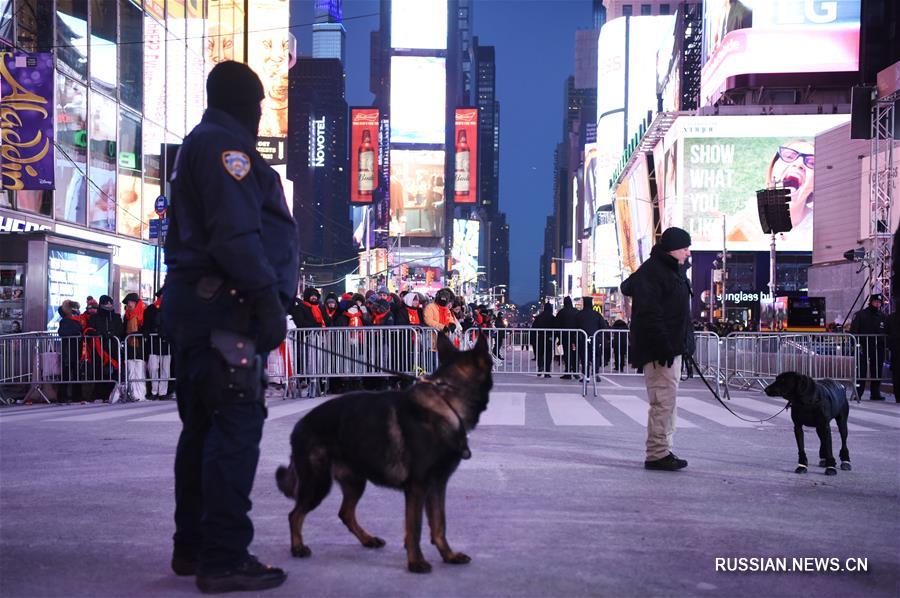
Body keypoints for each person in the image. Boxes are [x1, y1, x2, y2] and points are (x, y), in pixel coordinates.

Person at [162, 61, 297, 593]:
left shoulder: (204, 142)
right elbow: (235, 236)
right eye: (261, 106)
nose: (263, 117)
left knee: (202, 428)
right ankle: (222, 555)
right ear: (249, 105)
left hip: (201, 308)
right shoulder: (227, 150)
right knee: (235, 427)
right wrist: (267, 301)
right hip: (226, 309)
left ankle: (193, 548)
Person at [620, 227, 694, 471]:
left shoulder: (670, 270)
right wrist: (664, 348)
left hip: (671, 349)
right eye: (685, 247)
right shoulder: (655, 272)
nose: (688, 251)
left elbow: (680, 315)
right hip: (661, 352)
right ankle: (657, 453)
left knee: (667, 402)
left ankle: (664, 449)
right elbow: (650, 315)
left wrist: (685, 347)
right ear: (673, 249)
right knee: (662, 402)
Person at [85, 294, 124, 402]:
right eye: (106, 303)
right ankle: (99, 394)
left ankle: (112, 394)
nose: (109, 305)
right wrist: (101, 334)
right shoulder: (95, 318)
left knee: (115, 371)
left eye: (110, 303)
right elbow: (90, 329)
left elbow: (121, 330)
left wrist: (112, 334)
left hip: (114, 348)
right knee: (101, 372)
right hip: (99, 349)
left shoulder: (116, 317)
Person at [850, 294, 888, 401]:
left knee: (876, 370)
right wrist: (856, 345)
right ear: (871, 302)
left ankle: (875, 393)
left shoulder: (883, 316)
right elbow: (854, 331)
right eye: (876, 302)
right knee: (861, 370)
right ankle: (858, 393)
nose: (877, 304)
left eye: (879, 303)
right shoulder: (860, 315)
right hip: (863, 346)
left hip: (877, 348)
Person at [142, 289, 172, 399]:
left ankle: (163, 392)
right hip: (153, 342)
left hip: (166, 343)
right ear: (159, 296)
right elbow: (146, 325)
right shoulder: (150, 309)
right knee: (153, 367)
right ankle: (154, 391)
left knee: (165, 369)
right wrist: (147, 332)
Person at [56, 300, 84, 403]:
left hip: (74, 351)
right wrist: (77, 332)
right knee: (67, 375)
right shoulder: (66, 321)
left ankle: (74, 396)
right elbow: (63, 332)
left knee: (74, 374)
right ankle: (64, 396)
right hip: (69, 351)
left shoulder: (76, 319)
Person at [123, 292, 148, 401]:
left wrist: (139, 332)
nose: (129, 304)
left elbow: (146, 328)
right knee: (131, 369)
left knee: (139, 368)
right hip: (129, 345)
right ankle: (133, 392)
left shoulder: (143, 314)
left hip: (139, 345)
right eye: (128, 302)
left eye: (131, 302)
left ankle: (140, 393)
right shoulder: (126, 316)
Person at [576, 297, 608, 379]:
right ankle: (596, 374)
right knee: (596, 357)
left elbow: (575, 327)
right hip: (595, 339)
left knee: (584, 358)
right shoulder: (597, 314)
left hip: (582, 339)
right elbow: (604, 326)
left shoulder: (579, 314)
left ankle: (585, 376)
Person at [555, 296, 579, 379]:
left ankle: (568, 372)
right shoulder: (576, 311)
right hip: (575, 337)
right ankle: (576, 372)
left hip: (565, 337)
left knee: (567, 354)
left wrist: (558, 337)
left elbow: (557, 325)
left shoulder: (561, 312)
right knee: (575, 354)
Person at [531, 302, 557, 378]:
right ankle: (547, 372)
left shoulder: (539, 317)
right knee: (548, 355)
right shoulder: (553, 318)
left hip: (540, 337)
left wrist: (533, 340)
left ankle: (540, 367)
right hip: (549, 338)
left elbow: (533, 328)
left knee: (540, 354)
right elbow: (556, 328)